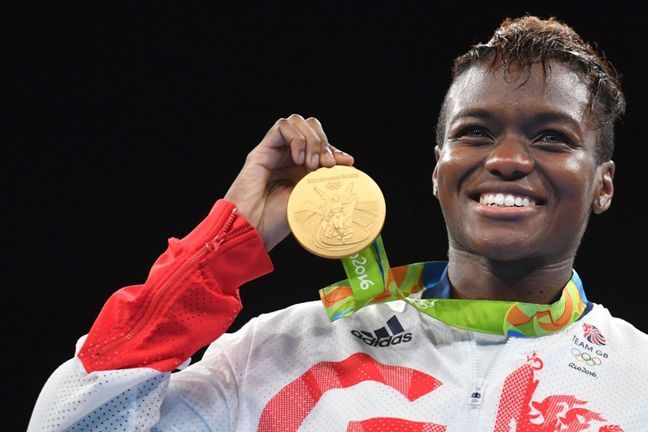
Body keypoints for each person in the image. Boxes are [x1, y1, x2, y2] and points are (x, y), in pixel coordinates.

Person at [28, 16, 648, 431]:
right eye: (474, 133)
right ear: (438, 171)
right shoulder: (284, 351)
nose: (508, 159)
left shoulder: (638, 379)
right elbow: (71, 421)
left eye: (551, 137)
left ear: (603, 184)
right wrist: (221, 249)